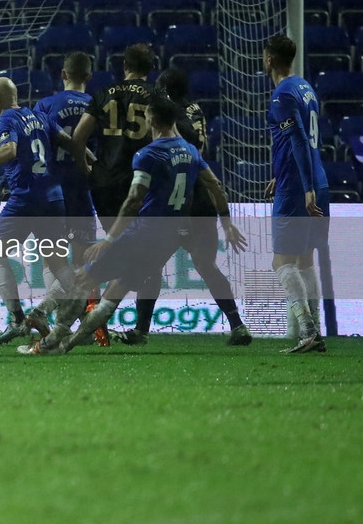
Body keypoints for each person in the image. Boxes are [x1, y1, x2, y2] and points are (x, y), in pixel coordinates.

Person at [28, 95, 248, 355]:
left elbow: (134, 200)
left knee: (81, 279)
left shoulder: (148, 154)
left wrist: (108, 240)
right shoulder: (191, 152)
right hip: (166, 243)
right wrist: (227, 223)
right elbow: (215, 185)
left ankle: (48, 343)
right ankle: (68, 345)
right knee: (114, 295)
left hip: (140, 234)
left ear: (152, 119)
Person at [121, 67, 253, 347]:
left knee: (151, 265)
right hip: (201, 198)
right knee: (205, 264)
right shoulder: (196, 110)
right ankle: (238, 325)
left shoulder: (173, 118)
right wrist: (226, 220)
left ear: (166, 92)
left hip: (179, 203)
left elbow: (180, 152)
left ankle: (141, 331)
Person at [0, 77, 78, 344]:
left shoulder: (3, 119)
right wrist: (89, 158)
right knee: (56, 263)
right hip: (53, 197)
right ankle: (76, 307)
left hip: (26, 199)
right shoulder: (39, 116)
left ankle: (18, 320)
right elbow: (66, 140)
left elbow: (10, 150)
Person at [71, 42, 160, 341]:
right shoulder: (156, 96)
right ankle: (135, 328)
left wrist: (87, 168)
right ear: (151, 68)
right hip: (138, 184)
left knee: (119, 251)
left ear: (124, 65)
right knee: (146, 258)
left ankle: (90, 320)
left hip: (104, 185)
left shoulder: (103, 93)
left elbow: (78, 137)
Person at [26, 52, 108, 347]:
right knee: (86, 264)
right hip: (83, 192)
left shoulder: (46, 105)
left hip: (51, 195)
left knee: (53, 265)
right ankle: (86, 328)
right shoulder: (97, 106)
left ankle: (50, 318)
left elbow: (31, 149)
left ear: (63, 74)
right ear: (89, 76)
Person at [263, 34, 329, 354]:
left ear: (270, 59)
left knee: (281, 262)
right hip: (316, 177)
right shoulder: (305, 87)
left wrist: (304, 188)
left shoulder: (281, 94)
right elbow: (300, 140)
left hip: (298, 187)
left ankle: (307, 329)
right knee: (304, 260)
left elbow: (300, 139)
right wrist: (281, 172)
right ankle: (314, 327)